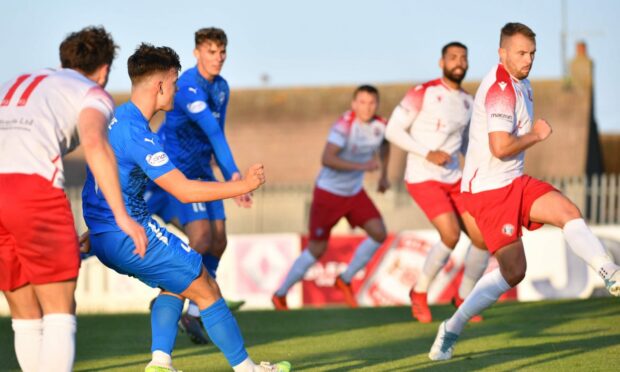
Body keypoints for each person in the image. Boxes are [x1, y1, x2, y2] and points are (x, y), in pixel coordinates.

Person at [82, 43, 290, 372]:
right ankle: (248, 369)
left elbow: (101, 179)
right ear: (160, 85)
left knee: (176, 284)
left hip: (104, 232)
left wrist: (96, 231)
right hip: (130, 234)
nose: (177, 89)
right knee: (206, 287)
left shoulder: (115, 118)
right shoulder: (139, 134)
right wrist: (244, 185)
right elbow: (184, 190)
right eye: (175, 82)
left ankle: (161, 362)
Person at [429, 22, 620, 361]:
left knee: (568, 212)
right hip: (489, 191)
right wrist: (537, 134)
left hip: (514, 180)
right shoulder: (501, 87)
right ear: (502, 53)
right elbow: (501, 147)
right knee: (514, 272)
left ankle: (610, 272)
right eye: (520, 53)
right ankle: (452, 327)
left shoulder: (522, 83)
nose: (528, 59)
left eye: (532, 53)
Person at [0, 26, 146, 372]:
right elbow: (96, 143)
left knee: (25, 315)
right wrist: (122, 216)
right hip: (31, 190)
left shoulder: (20, 81)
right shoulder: (91, 92)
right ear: (105, 70)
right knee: (58, 311)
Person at [145, 27, 247, 344]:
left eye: (221, 52)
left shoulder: (222, 88)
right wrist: (235, 177)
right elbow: (214, 132)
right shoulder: (187, 85)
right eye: (210, 51)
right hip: (179, 173)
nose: (217, 58)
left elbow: (217, 133)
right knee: (201, 239)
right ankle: (169, 296)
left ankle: (194, 311)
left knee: (218, 243)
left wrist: (222, 167)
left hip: (203, 169)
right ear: (196, 53)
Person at [385, 42, 489, 323]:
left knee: (483, 238)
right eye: (453, 57)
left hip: (454, 178)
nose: (459, 62)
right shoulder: (423, 92)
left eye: (463, 58)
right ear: (441, 63)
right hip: (422, 176)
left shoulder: (469, 101)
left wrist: (480, 167)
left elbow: (466, 142)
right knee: (451, 235)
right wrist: (427, 152)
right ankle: (419, 292)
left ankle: (464, 298)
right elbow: (392, 130)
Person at [272, 85, 390, 310]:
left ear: (377, 104)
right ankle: (280, 294)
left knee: (379, 233)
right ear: (354, 104)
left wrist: (384, 175)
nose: (367, 107)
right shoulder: (344, 125)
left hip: (354, 193)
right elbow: (327, 158)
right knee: (317, 249)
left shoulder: (380, 125)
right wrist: (362, 165)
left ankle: (345, 279)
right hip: (329, 193)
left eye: (372, 103)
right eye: (362, 102)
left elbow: (386, 145)